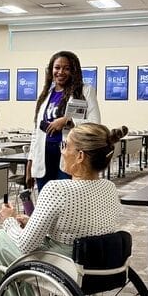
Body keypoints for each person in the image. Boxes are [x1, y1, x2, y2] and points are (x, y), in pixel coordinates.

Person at [0, 124, 126, 296]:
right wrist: (32, 222)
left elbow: (26, 244)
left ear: (80, 156)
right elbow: (82, 226)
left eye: (65, 145)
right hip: (100, 264)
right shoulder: (109, 188)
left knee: (2, 237)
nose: (62, 151)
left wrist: (9, 220)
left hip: (65, 267)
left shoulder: (57, 189)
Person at [26, 51, 100, 192]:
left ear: (74, 71)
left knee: (66, 200)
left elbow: (95, 124)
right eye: (57, 68)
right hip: (44, 157)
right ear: (51, 70)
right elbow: (36, 132)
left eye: (66, 68)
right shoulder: (46, 95)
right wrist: (30, 163)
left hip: (70, 156)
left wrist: (68, 121)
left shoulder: (85, 91)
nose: (61, 72)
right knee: (46, 202)